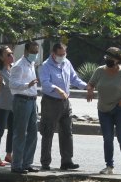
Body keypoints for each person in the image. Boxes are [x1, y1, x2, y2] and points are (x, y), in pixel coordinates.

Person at [86, 47, 121, 175]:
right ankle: (109, 166)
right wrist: (90, 90)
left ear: (118, 59)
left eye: (112, 58)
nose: (109, 60)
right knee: (108, 139)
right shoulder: (99, 71)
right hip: (104, 109)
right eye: (108, 57)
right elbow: (91, 83)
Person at [38, 42, 88, 170]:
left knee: (67, 131)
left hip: (65, 102)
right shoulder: (45, 66)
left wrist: (87, 86)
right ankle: (45, 162)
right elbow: (45, 83)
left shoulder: (66, 62)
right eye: (59, 54)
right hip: (51, 101)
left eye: (64, 53)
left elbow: (74, 78)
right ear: (53, 54)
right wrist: (57, 89)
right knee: (48, 132)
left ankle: (67, 161)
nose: (62, 56)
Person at [6, 41, 41, 174]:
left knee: (33, 133)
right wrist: (28, 84)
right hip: (21, 100)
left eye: (37, 52)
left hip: (32, 101)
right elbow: (12, 84)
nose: (35, 54)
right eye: (33, 52)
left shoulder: (31, 63)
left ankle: (27, 163)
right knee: (20, 133)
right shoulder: (19, 65)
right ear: (26, 51)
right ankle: (16, 165)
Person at [0, 46, 15, 166]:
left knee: (12, 130)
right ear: (1, 57)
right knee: (0, 131)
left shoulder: (13, 69)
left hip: (13, 105)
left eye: (11, 53)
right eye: (8, 54)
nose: (11, 56)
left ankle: (9, 155)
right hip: (3, 105)